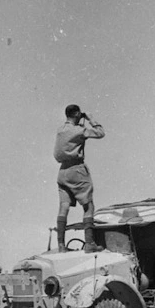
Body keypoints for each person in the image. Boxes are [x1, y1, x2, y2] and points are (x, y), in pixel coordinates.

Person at [54, 104, 105, 253]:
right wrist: (90, 118)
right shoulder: (78, 130)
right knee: (88, 205)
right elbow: (100, 133)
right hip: (77, 170)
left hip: (62, 171)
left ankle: (61, 245)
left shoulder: (60, 130)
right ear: (76, 114)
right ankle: (89, 243)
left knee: (64, 206)